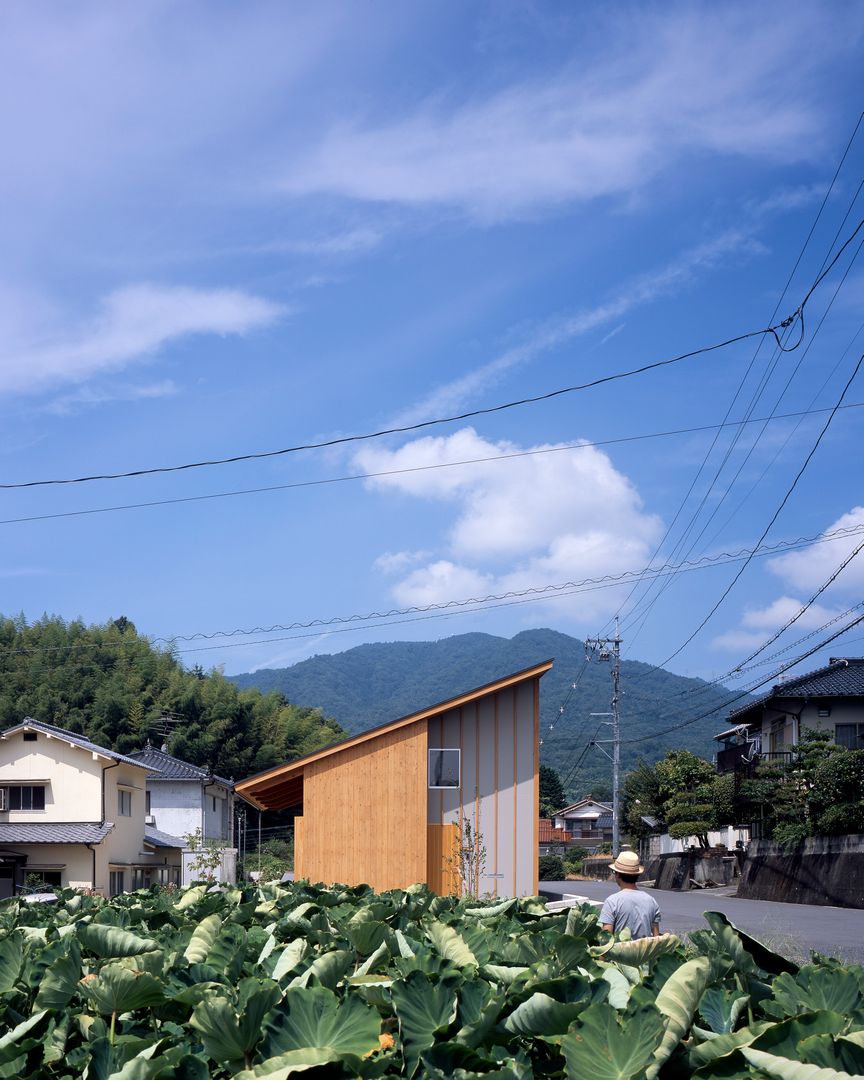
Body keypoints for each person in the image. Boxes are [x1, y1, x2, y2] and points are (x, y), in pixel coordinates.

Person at [598, 849, 660, 939]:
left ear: (618, 874)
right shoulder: (651, 901)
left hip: (620, 952)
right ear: (637, 875)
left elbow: (606, 939)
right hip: (644, 952)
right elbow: (656, 938)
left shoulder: (612, 902)